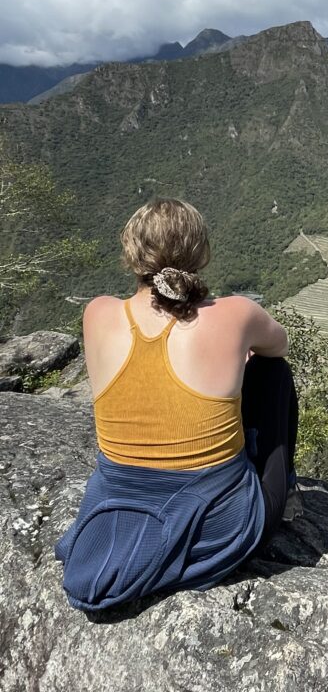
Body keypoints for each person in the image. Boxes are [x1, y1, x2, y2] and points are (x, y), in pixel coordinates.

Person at [55, 196, 300, 612]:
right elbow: (280, 344)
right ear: (200, 253)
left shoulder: (97, 312)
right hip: (218, 526)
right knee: (272, 371)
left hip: (114, 511)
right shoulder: (236, 313)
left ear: (131, 251)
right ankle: (284, 489)